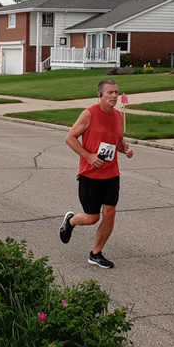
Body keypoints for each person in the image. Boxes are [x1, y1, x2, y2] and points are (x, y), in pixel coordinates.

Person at [58, 79, 133, 269]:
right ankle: (71, 220)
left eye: (116, 92)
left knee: (110, 213)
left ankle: (96, 253)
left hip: (111, 174)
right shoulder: (89, 114)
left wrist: (125, 149)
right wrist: (89, 156)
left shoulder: (117, 115)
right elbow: (70, 138)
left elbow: (117, 141)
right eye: (110, 93)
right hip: (90, 174)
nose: (114, 96)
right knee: (92, 218)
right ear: (100, 95)